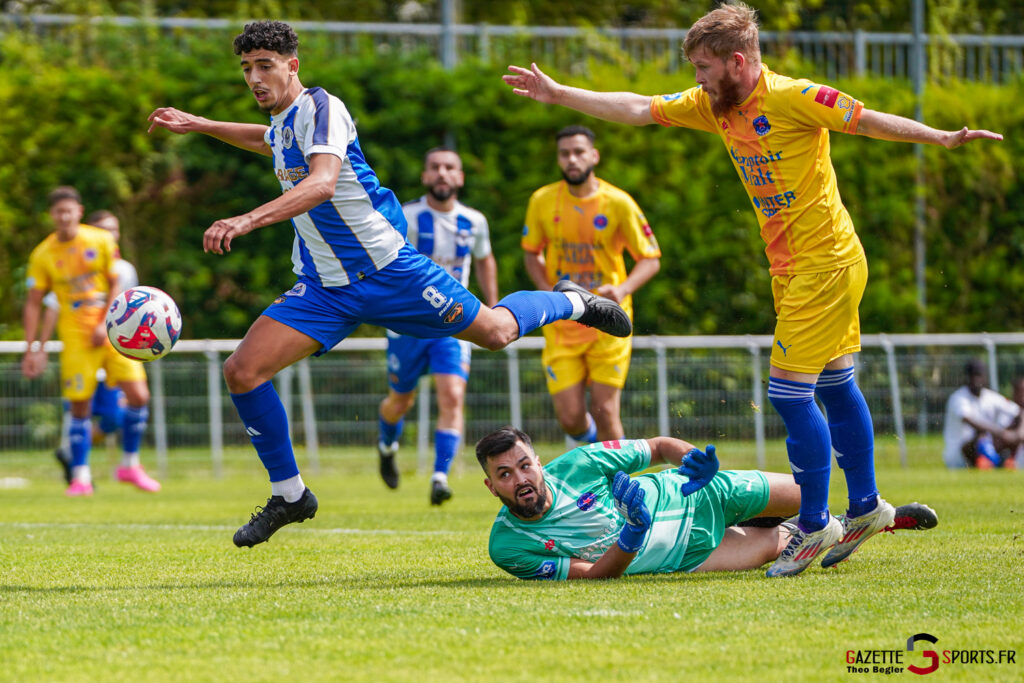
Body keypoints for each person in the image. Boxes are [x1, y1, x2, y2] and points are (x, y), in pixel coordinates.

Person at [502, 1, 1003, 577]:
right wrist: (560, 94)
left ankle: (814, 528)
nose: (696, 80)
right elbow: (640, 107)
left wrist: (939, 137)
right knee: (836, 386)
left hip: (826, 264)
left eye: (703, 69)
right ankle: (864, 507)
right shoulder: (714, 106)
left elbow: (864, 119)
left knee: (791, 395)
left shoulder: (794, 96)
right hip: (795, 270)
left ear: (737, 61)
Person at [147, 20, 632, 548]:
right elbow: (265, 140)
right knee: (242, 371)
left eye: (265, 66)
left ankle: (568, 300)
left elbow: (322, 183)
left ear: (293, 66)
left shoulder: (322, 108)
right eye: (246, 69)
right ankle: (290, 495)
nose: (255, 78)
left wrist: (246, 219)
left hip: (390, 271)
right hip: (326, 287)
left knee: (494, 332)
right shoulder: (286, 124)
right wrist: (198, 124)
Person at [476, 426, 937, 580]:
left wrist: (695, 461)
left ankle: (852, 519)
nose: (520, 480)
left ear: (539, 461)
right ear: (490, 487)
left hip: (697, 493)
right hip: (687, 553)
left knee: (808, 492)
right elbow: (594, 577)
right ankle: (878, 523)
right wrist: (633, 533)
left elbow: (658, 447)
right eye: (504, 474)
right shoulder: (508, 545)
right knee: (782, 541)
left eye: (524, 466)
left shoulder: (579, 462)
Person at [522, 125, 661, 444]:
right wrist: (548, 293)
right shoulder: (542, 200)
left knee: (605, 409)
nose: (572, 159)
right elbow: (531, 253)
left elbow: (650, 258)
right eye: (564, 153)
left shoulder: (619, 202)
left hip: (607, 319)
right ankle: (597, 449)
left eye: (579, 151)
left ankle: (622, 486)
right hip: (564, 320)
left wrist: (622, 290)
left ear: (594, 155)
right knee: (570, 418)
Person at [376, 146, 499, 505]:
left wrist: (493, 308)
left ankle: (440, 476)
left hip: (453, 323)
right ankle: (386, 445)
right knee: (400, 402)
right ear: (425, 176)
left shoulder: (474, 221)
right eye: (435, 167)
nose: (442, 173)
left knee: (453, 396)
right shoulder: (407, 216)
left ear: (460, 177)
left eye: (450, 168)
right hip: (407, 326)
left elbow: (484, 259)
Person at [22, 187, 159, 496]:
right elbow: (35, 304)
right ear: (52, 215)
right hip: (75, 336)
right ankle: (81, 477)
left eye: (69, 210)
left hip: (112, 332)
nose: (65, 216)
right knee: (79, 406)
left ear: (79, 211)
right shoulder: (43, 254)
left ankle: (129, 464)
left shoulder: (99, 242)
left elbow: (116, 284)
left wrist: (106, 321)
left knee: (139, 395)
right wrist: (34, 349)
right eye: (59, 212)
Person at [50, 210, 140, 481]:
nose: (109, 235)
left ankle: (70, 452)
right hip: (83, 349)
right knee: (80, 410)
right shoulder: (75, 265)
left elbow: (133, 310)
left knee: (113, 417)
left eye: (113, 229)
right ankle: (80, 473)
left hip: (113, 351)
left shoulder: (125, 270)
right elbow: (54, 305)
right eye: (103, 229)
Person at [942, 359, 1023, 469]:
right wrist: (1002, 433)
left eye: (979, 375)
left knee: (1015, 427)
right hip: (959, 457)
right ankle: (990, 461)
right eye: (972, 376)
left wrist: (1018, 433)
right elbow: (968, 420)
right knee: (980, 435)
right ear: (966, 378)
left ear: (985, 377)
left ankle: (1002, 461)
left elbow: (1018, 411)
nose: (976, 380)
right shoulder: (958, 398)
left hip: (988, 445)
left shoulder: (991, 397)